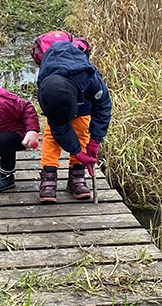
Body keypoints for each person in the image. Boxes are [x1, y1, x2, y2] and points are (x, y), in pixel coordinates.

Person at [33, 33, 111, 203]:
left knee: (82, 130)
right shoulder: (45, 87)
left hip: (82, 96)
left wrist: (95, 140)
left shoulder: (92, 80)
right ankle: (49, 176)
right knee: (52, 135)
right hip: (57, 93)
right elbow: (58, 126)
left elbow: (103, 108)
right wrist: (76, 150)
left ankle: (76, 175)